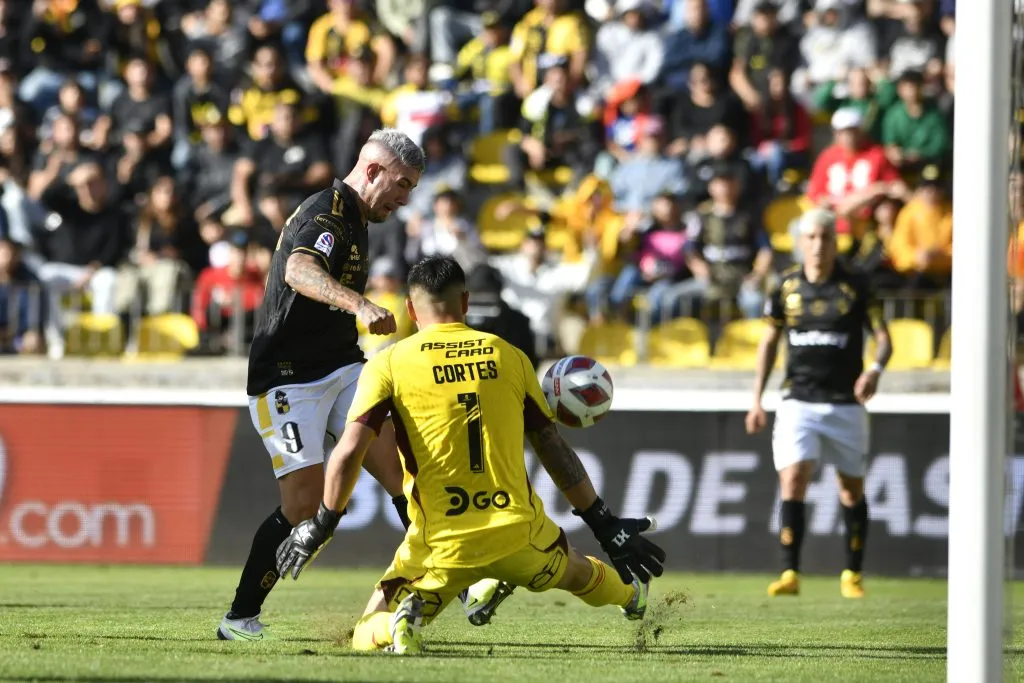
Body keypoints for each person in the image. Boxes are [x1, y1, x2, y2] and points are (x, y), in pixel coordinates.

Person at [275, 256, 666, 654]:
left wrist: (323, 523)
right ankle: (630, 597)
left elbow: (348, 452)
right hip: (517, 534)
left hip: (442, 543)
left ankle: (397, 626)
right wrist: (603, 523)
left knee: (364, 633)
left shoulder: (389, 363)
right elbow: (553, 450)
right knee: (577, 572)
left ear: (410, 309)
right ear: (465, 302)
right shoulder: (509, 356)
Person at [217, 129, 510, 641]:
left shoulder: (358, 216)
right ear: (372, 171)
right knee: (303, 506)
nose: (404, 198)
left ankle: (466, 583)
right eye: (401, 184)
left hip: (342, 368)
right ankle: (239, 617)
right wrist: (359, 304)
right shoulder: (326, 213)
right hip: (286, 379)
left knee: (406, 476)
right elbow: (298, 269)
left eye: (412, 188)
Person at [744, 209, 892, 600]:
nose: (817, 245)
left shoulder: (857, 285)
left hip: (846, 402)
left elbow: (883, 337)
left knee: (850, 489)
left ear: (835, 241)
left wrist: (875, 369)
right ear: (800, 242)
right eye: (810, 237)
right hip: (798, 400)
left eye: (825, 237)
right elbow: (769, 342)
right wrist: (756, 399)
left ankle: (852, 574)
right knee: (793, 480)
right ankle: (789, 571)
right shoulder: (785, 285)